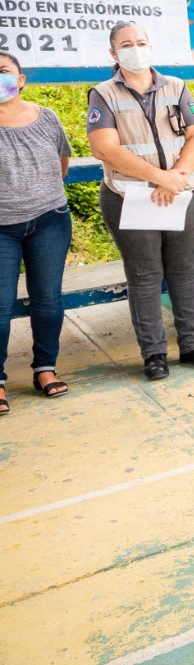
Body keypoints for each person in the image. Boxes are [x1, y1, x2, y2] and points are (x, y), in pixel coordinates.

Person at [88, 23, 194, 380]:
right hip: (130, 196)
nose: (135, 49)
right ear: (113, 54)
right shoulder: (103, 94)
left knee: (184, 271)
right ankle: (154, 354)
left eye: (141, 42)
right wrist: (159, 178)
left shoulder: (176, 86)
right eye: (126, 44)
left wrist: (176, 177)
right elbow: (104, 147)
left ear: (151, 47)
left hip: (184, 194)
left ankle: (193, 345)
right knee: (145, 276)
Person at [0, 51, 74, 409]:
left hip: (49, 220)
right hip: (1, 229)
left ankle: (45, 368)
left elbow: (62, 163)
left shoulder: (46, 118)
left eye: (3, 72)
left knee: (47, 299)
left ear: (20, 78)